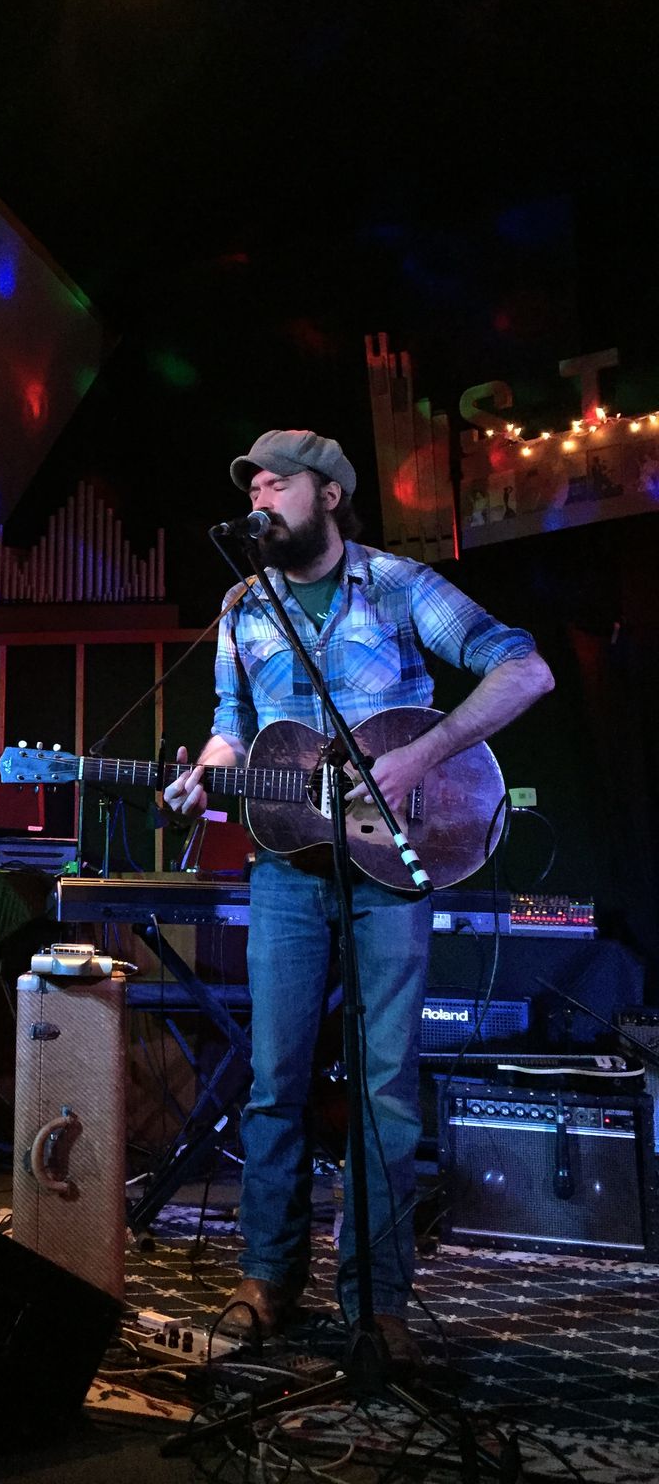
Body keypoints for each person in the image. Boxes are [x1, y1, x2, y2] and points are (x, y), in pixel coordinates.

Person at [164, 428, 553, 1365]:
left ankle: (377, 1301)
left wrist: (419, 755)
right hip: (287, 867)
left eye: (275, 483)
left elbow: (525, 668)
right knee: (275, 1080)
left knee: (385, 1086)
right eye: (250, 486)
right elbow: (230, 728)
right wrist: (203, 774)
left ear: (329, 495)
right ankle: (267, 1278)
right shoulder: (241, 604)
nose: (257, 496)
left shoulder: (399, 586)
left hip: (393, 864)